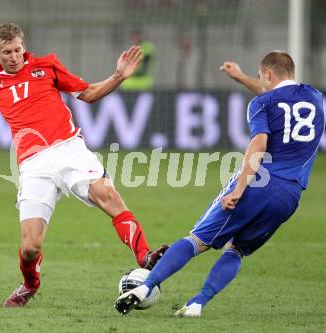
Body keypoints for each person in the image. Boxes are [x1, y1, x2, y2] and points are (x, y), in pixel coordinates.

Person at [0, 23, 167, 308]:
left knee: (108, 197)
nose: (15, 56)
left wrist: (118, 76)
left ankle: (144, 256)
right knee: (30, 247)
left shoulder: (47, 66)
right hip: (33, 164)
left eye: (18, 49)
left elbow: (89, 93)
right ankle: (30, 285)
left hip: (70, 149)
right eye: (7, 52)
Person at [115, 51, 325, 317]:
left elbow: (259, 145)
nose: (260, 82)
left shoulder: (261, 104)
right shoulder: (316, 97)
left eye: (261, 77)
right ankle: (198, 303)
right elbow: (275, 93)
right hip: (291, 195)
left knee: (197, 240)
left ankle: (145, 286)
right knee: (236, 249)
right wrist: (240, 77)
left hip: (259, 183)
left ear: (268, 74)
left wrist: (238, 190)